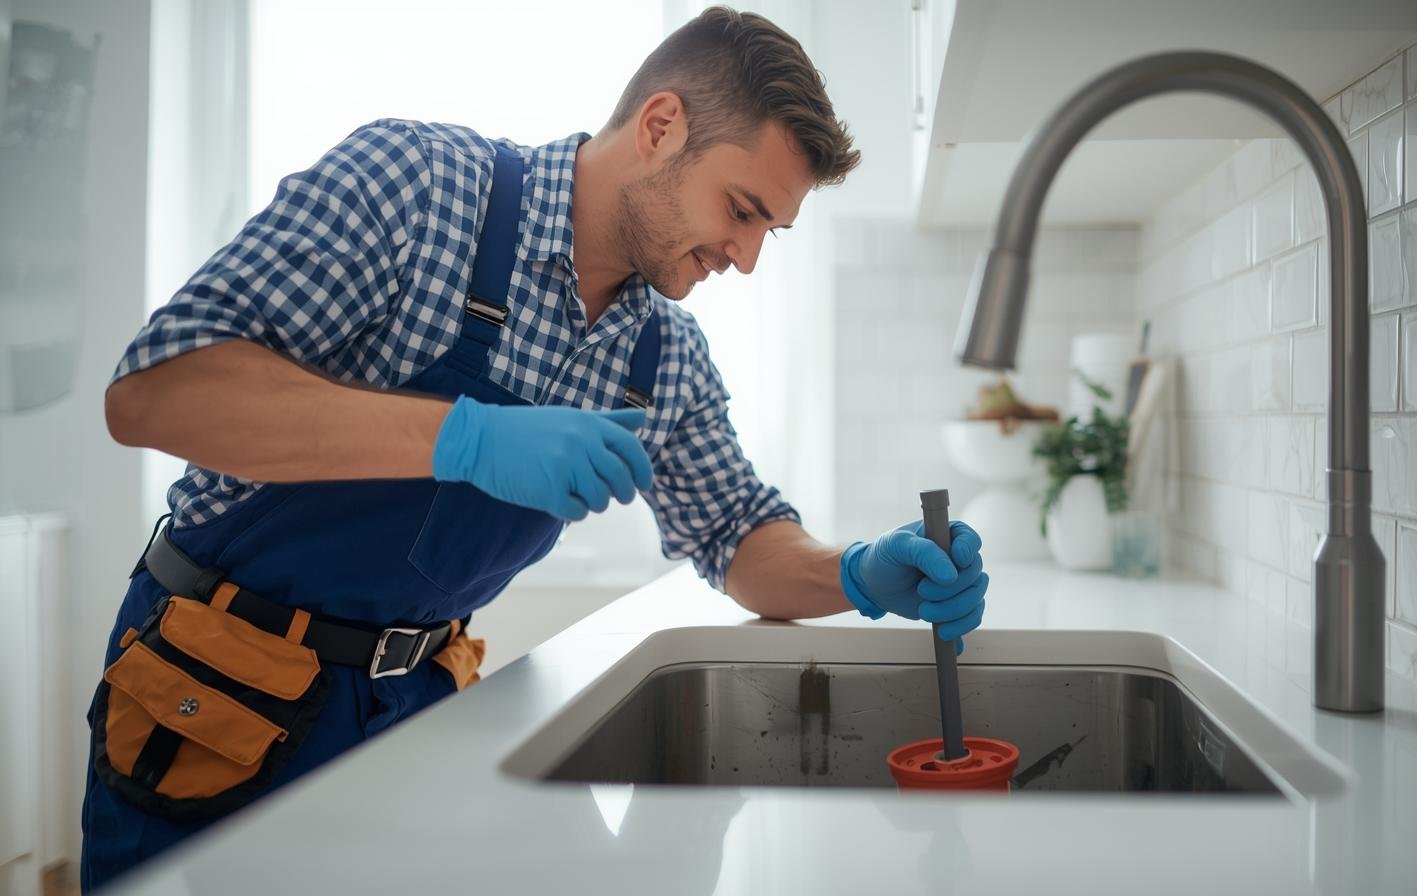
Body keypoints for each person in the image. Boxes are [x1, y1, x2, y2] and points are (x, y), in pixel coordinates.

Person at [82, 6, 988, 888]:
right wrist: (463, 437)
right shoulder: (420, 187)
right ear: (661, 126)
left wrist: (858, 572)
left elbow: (739, 538)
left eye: (768, 233)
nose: (746, 258)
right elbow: (155, 394)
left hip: (412, 709)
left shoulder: (662, 355)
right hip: (217, 692)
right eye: (741, 210)